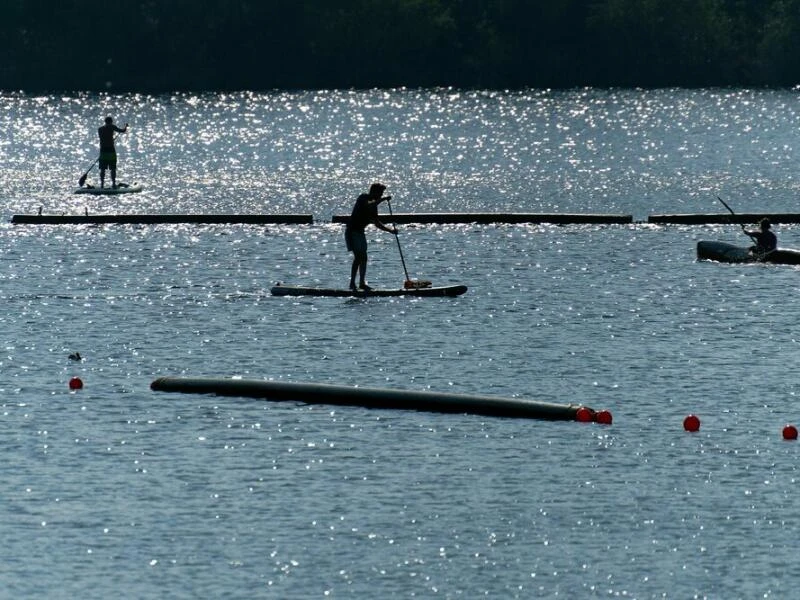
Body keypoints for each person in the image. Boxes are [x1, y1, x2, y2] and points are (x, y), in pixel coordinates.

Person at [345, 183, 398, 290]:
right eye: (380, 193)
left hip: (360, 232)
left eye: (382, 193)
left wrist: (391, 231)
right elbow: (369, 204)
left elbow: (377, 223)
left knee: (364, 257)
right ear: (374, 192)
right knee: (358, 257)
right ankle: (352, 283)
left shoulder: (374, 208)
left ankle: (361, 283)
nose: (381, 195)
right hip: (352, 232)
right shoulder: (363, 198)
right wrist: (383, 199)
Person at [98, 116, 128, 188]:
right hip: (111, 150)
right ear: (111, 122)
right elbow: (123, 131)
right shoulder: (112, 127)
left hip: (103, 151)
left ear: (105, 121)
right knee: (113, 168)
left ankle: (102, 184)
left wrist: (109, 139)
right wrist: (126, 126)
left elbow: (103, 138)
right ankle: (113, 184)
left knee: (102, 169)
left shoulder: (100, 129)